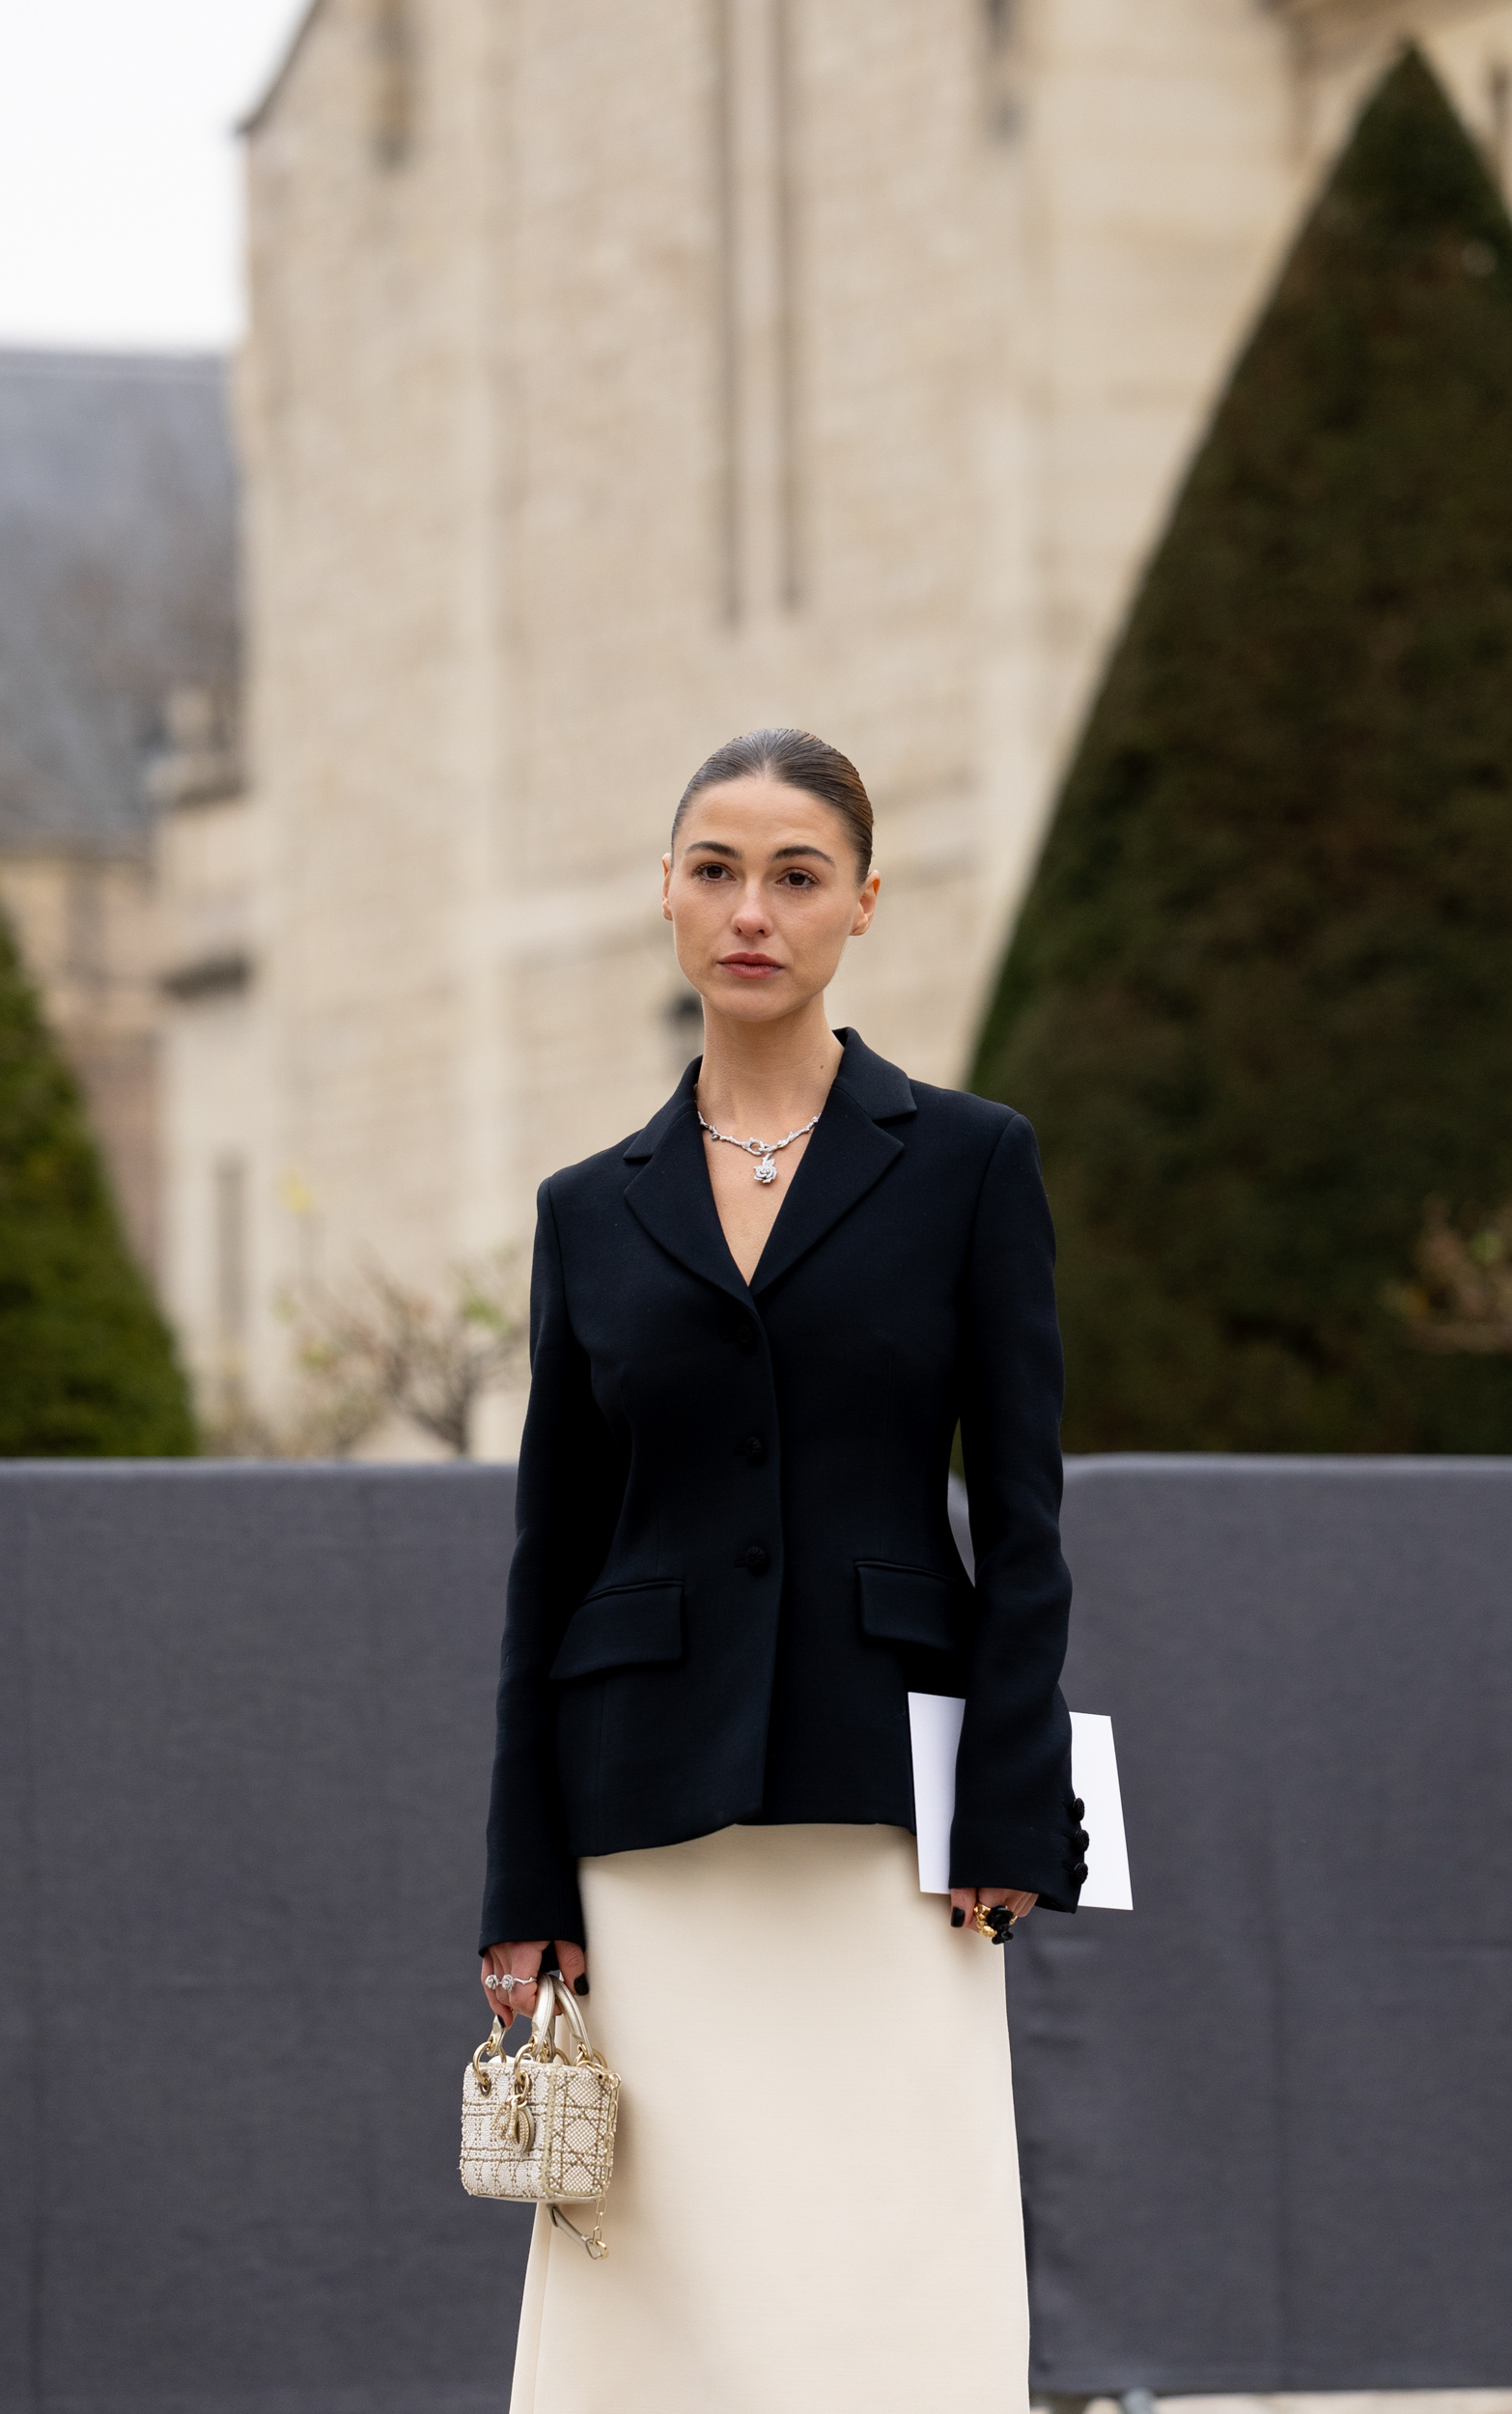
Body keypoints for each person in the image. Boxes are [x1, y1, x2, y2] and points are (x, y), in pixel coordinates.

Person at [479, 727, 1086, 2413]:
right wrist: (524, 1882)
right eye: (717, 871)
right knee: (667, 2272)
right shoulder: (588, 1212)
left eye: (798, 875)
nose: (754, 910)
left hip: (892, 1814)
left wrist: (1013, 1809)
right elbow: (555, 1555)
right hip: (644, 1824)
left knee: (897, 2240)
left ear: (865, 905)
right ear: (666, 898)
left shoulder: (971, 1163)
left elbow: (1023, 1516)